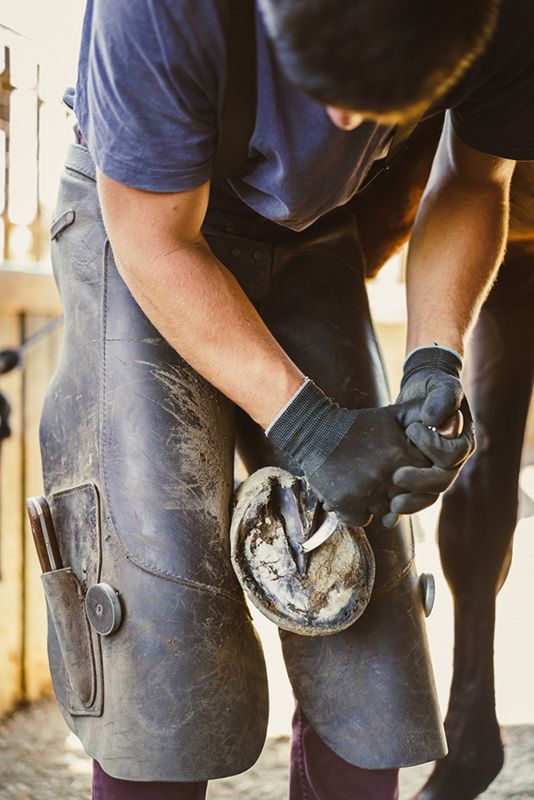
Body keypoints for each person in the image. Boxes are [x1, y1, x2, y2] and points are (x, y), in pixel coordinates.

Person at [38, 0, 533, 798]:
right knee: (164, 651)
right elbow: (155, 240)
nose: (341, 119)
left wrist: (435, 364)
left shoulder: (508, 21)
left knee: (372, 643)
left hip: (315, 235)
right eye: (326, 87)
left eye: (380, 100)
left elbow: (475, 179)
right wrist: (311, 427)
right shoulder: (160, 13)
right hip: (147, 230)